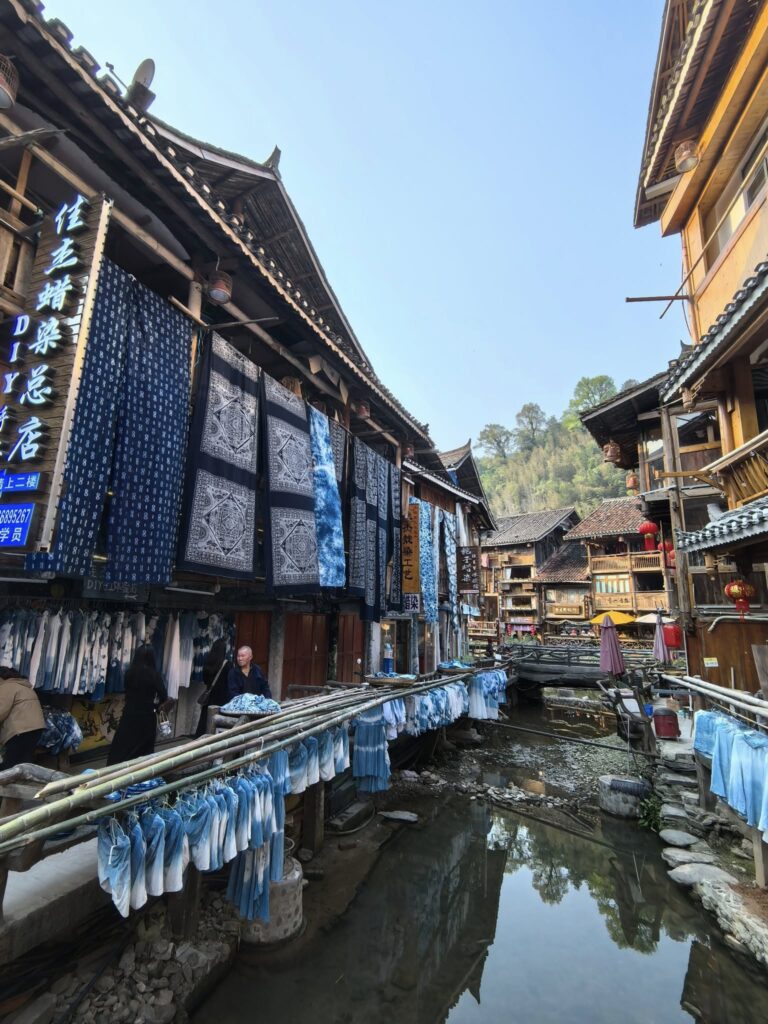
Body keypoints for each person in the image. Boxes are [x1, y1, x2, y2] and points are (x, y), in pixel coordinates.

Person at [107, 645, 173, 766]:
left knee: (123, 745)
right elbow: (163, 696)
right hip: (147, 715)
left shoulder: (129, 673)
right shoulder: (154, 675)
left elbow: (127, 692)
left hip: (129, 714)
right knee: (144, 750)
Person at [0, 667, 45, 770]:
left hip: (20, 730)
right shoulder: (24, 686)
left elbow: (1, 710)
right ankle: (24, 783)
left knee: (11, 764)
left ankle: (10, 784)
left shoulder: (7, 687)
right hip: (36, 728)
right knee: (24, 761)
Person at [195, 638, 232, 737]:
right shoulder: (228, 665)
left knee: (205, 722)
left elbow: (206, 680)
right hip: (223, 699)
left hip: (210, 697)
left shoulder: (208, 663)